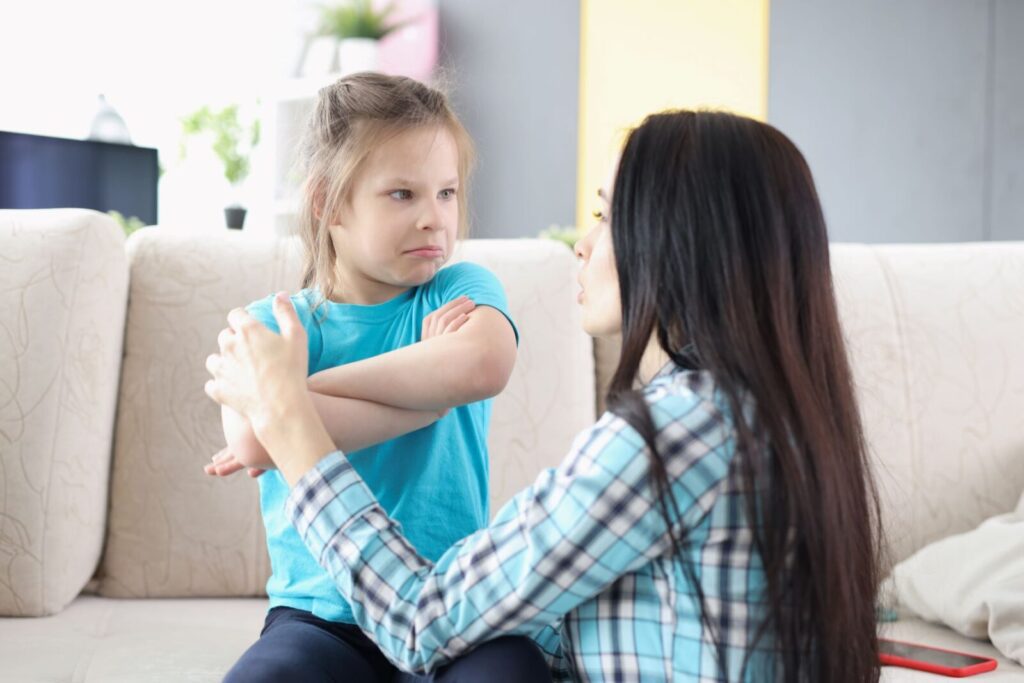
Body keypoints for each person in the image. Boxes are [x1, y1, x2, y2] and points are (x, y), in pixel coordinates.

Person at [206, 109, 882, 682]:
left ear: (682, 243)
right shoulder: (768, 412)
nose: (582, 245)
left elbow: (421, 617)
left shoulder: (670, 432)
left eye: (606, 215)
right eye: (401, 194)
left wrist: (290, 414)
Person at [208, 72, 551, 682]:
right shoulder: (272, 326)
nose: (434, 219)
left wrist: (288, 396)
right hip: (321, 617)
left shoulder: (463, 290)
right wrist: (428, 394)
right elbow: (257, 442)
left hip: (452, 606)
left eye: (446, 193)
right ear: (327, 202)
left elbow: (482, 364)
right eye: (402, 195)